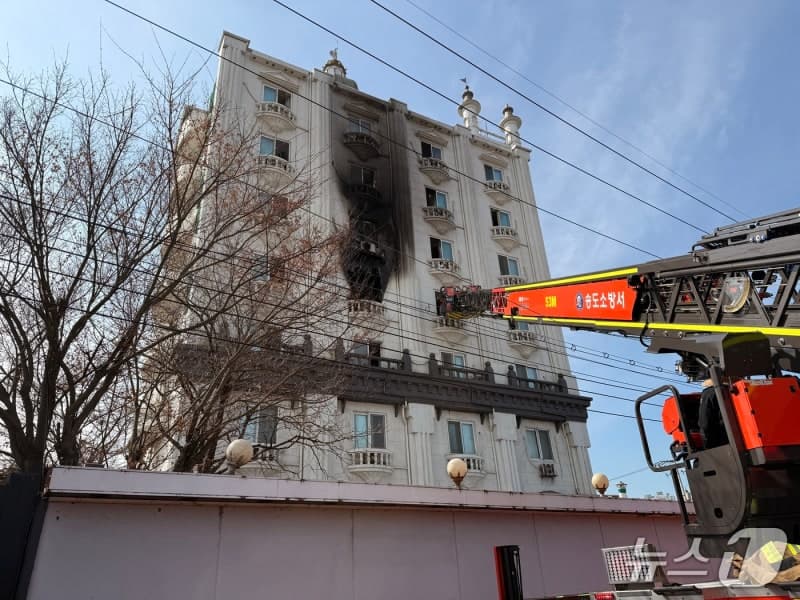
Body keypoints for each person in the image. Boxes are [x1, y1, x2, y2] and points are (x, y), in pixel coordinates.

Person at [698, 378, 728, 448]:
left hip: (722, 441)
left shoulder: (709, 393)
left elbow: (705, 423)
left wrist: (707, 446)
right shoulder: (735, 389)